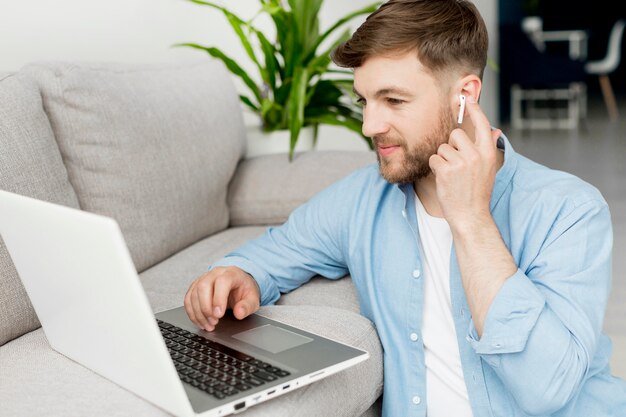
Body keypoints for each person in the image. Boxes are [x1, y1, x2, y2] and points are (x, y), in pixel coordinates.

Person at [184, 0, 626, 415]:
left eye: (394, 100)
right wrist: (236, 274)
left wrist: (470, 219)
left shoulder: (568, 209)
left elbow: (547, 389)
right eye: (364, 100)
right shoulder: (360, 200)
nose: (369, 125)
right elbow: (274, 253)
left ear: (464, 97)